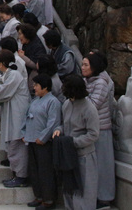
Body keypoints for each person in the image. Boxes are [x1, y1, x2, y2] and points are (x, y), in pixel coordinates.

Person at [0, 50, 30, 188]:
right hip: (13, 112)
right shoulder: (10, 74)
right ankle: (17, 174)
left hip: (18, 114)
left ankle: (21, 176)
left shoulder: (14, 74)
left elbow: (4, 91)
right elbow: (4, 82)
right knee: (13, 143)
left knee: (17, 144)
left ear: (2, 63)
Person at [52, 74, 100, 210]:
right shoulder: (66, 104)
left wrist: (74, 142)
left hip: (84, 155)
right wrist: (58, 130)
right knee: (69, 187)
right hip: (68, 154)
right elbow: (64, 124)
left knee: (85, 189)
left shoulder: (89, 108)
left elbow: (93, 134)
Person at [21, 74, 61, 210]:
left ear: (45, 87)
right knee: (34, 170)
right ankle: (38, 196)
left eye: (36, 85)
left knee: (45, 171)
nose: (34, 87)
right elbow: (27, 117)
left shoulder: (53, 102)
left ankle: (48, 199)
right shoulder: (35, 100)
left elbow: (53, 122)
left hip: (44, 143)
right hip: (31, 139)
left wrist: (43, 138)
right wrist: (24, 133)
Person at [82, 52, 116, 209]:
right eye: (82, 64)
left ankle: (104, 197)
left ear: (94, 67)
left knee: (103, 165)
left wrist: (79, 97)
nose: (82, 68)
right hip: (88, 128)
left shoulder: (101, 83)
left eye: (86, 65)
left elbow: (93, 105)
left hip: (101, 129)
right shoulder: (86, 80)